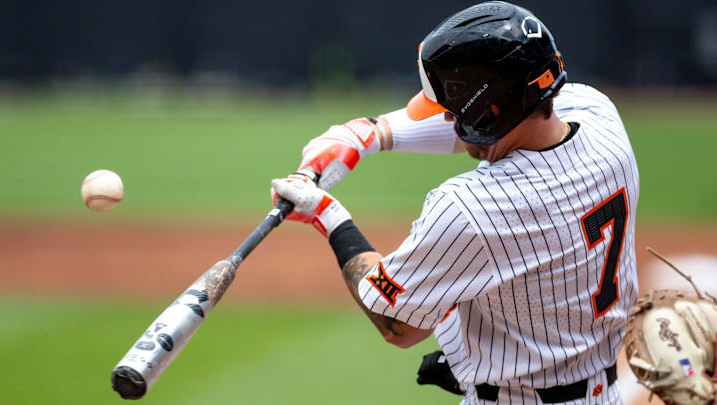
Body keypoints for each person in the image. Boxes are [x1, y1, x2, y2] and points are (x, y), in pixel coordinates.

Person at [271, 1, 639, 404]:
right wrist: (369, 134)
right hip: (604, 392)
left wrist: (328, 215)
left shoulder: (472, 209)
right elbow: (501, 124)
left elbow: (397, 325)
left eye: (455, 111)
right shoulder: (602, 120)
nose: (448, 120)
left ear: (492, 113)